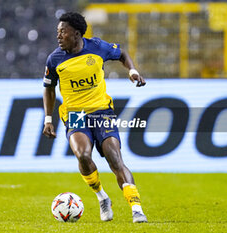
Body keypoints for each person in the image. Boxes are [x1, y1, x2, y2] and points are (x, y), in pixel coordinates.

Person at [42, 12, 147, 223]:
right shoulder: (55, 59)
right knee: (83, 155)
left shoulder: (97, 47)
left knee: (114, 157)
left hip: (101, 110)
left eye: (63, 31)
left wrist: (132, 71)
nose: (58, 36)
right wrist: (48, 119)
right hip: (75, 114)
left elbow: (122, 54)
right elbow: (48, 88)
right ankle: (102, 196)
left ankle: (136, 208)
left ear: (77, 34)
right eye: (57, 32)